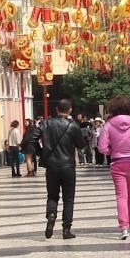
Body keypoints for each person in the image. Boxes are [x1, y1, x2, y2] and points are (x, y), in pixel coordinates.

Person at [98, 96, 130, 240]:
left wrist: (111, 151)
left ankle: (123, 228)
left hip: (117, 163)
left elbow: (102, 147)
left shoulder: (108, 124)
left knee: (121, 196)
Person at [41, 99, 86, 240]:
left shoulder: (46, 124)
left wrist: (42, 153)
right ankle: (66, 230)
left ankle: (51, 215)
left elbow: (33, 139)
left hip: (51, 166)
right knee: (68, 199)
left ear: (56, 109)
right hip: (68, 166)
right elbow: (81, 145)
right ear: (70, 110)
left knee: (52, 195)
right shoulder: (73, 126)